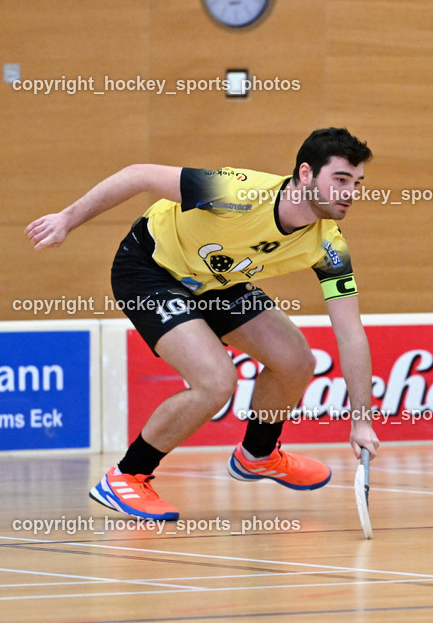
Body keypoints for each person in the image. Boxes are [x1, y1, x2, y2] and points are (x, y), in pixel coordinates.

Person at [26, 127, 380, 521]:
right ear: (305, 174)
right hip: (150, 269)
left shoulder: (329, 245)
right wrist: (66, 219)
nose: (350, 193)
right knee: (215, 381)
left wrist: (361, 420)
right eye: (341, 180)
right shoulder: (236, 193)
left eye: (357, 183)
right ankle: (127, 475)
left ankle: (258, 455)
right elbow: (140, 174)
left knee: (295, 360)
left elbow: (350, 332)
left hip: (215, 281)